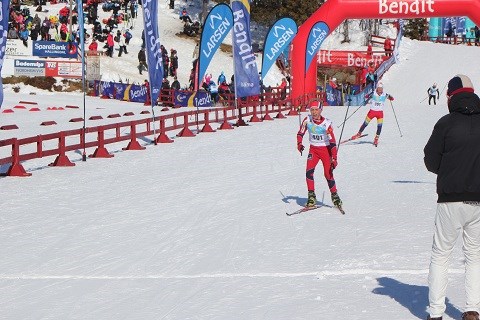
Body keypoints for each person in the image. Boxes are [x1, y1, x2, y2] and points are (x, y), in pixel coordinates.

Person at [424, 74, 480, 320]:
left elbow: (430, 160)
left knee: (441, 255)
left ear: (450, 97)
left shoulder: (445, 123)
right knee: (474, 256)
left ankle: (436, 313)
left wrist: (449, 169)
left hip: (449, 199)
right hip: (478, 200)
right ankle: (472, 311)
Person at [296, 102, 342, 208]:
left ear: (321, 110)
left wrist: (334, 158)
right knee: (309, 172)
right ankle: (311, 196)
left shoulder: (326, 124)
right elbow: (300, 133)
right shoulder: (307, 120)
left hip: (326, 151)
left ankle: (335, 196)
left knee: (328, 174)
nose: (314, 112)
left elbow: (333, 142)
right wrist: (299, 143)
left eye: (316, 110)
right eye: (312, 110)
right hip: (313, 150)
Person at [350, 82, 394, 147]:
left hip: (380, 113)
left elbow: (392, 99)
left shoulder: (385, 94)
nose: (380, 90)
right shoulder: (373, 93)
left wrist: (390, 97)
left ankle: (376, 139)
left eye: (381, 89)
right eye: (379, 88)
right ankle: (359, 134)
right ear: (377, 88)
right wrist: (368, 96)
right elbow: (366, 96)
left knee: (379, 126)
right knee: (365, 123)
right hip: (372, 112)